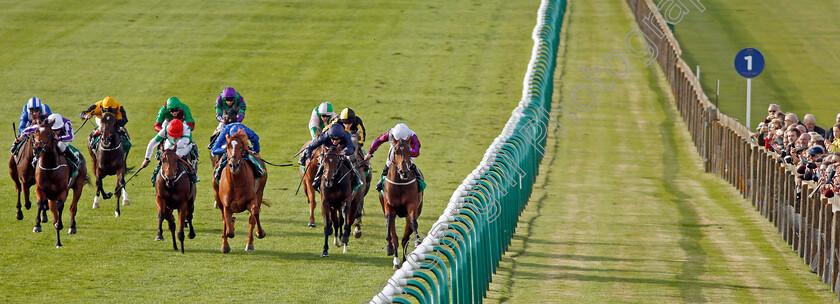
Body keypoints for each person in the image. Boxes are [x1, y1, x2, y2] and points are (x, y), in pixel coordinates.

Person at [365, 123, 423, 193]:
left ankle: (419, 179)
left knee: (410, 164)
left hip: (408, 152)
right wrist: (370, 153)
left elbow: (416, 151)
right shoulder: (390, 133)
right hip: (395, 152)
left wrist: (405, 154)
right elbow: (378, 141)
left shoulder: (412, 135)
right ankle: (382, 179)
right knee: (388, 164)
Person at [303, 124, 362, 191]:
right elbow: (310, 147)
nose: (335, 141)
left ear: (341, 137)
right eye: (333, 139)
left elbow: (351, 148)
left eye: (337, 140)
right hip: (328, 151)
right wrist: (308, 158)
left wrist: (345, 152)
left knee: (347, 160)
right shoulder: (325, 136)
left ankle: (355, 177)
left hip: (341, 150)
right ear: (329, 136)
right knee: (324, 162)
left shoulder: (346, 135)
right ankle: (317, 180)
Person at [141, 119, 199, 183]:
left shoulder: (186, 129)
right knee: (164, 157)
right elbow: (152, 143)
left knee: (178, 154)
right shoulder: (165, 129)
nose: (174, 138)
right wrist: (147, 159)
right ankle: (157, 171)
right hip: (170, 143)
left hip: (184, 146)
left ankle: (192, 172)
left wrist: (171, 150)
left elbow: (183, 142)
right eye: (173, 135)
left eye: (176, 136)